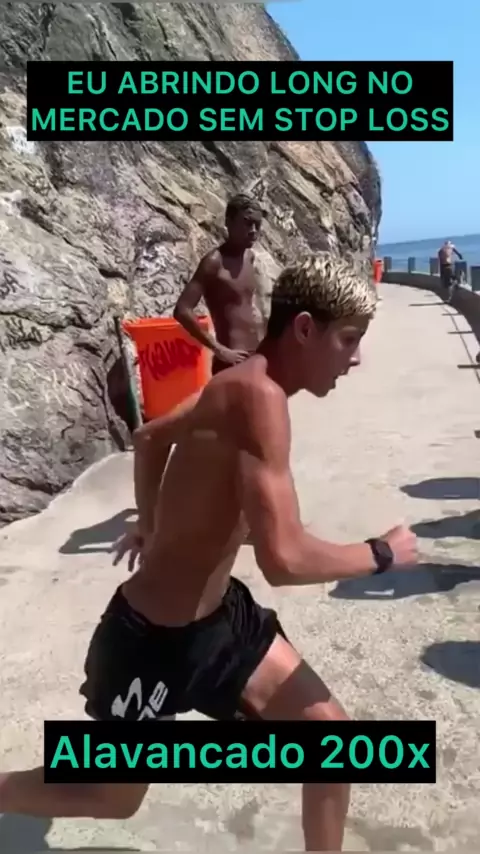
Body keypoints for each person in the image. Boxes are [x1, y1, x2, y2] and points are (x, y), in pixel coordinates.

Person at [0, 254, 419, 852]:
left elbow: (151, 437)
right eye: (348, 339)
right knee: (111, 799)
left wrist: (153, 526)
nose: (355, 359)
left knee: (331, 741)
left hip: (221, 623)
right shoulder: (258, 398)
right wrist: (381, 553)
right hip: (149, 645)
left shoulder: (240, 382)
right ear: (305, 329)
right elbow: (284, 559)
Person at [173, 193, 266, 375]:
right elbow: (182, 310)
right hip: (232, 362)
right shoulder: (214, 262)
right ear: (229, 222)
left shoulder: (249, 257)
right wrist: (219, 349)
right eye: (247, 223)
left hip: (257, 357)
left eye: (257, 224)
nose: (253, 230)